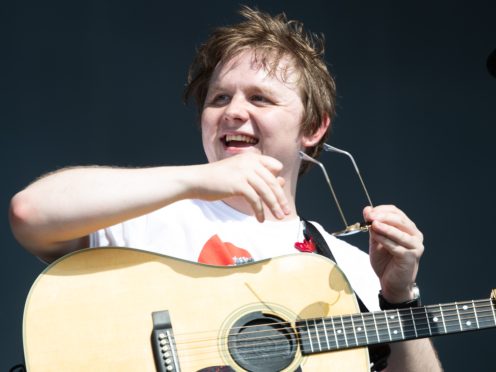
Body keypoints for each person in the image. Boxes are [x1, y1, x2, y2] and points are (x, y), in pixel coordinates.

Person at [10, 6, 441, 371]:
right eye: (219, 99)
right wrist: (197, 180)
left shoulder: (351, 265)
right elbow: (30, 213)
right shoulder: (143, 213)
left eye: (259, 99)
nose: (234, 111)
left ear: (312, 127)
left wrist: (399, 298)